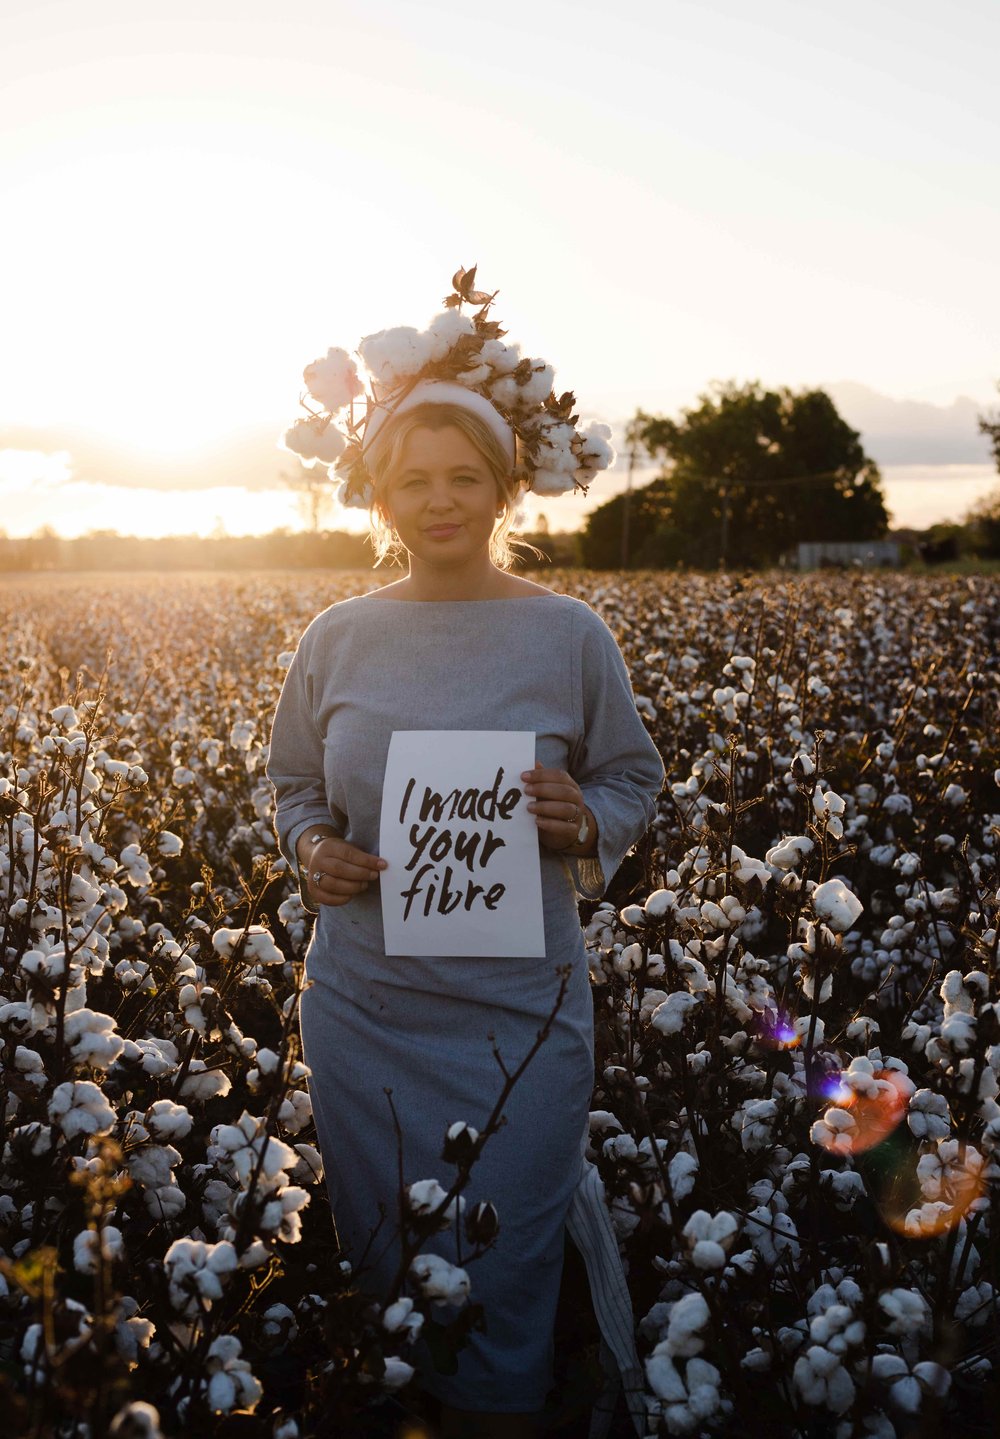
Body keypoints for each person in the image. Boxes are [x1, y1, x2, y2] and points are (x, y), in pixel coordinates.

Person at [267, 276, 664, 1439]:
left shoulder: (566, 633)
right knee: (387, 1255)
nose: (439, 500)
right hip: (364, 1002)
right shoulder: (335, 637)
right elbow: (292, 783)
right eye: (412, 481)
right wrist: (312, 846)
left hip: (520, 1012)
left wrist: (584, 817)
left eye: (463, 477)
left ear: (503, 486)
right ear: (378, 498)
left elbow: (631, 775)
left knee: (507, 1253)